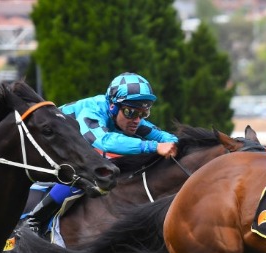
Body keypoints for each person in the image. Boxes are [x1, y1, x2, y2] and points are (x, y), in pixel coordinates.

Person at [25, 72, 178, 235]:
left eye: (143, 114)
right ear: (113, 106)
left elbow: (166, 138)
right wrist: (154, 147)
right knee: (85, 172)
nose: (137, 120)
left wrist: (178, 144)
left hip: (65, 150)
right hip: (39, 149)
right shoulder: (92, 110)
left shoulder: (129, 118)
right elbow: (104, 141)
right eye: (131, 113)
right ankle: (34, 220)